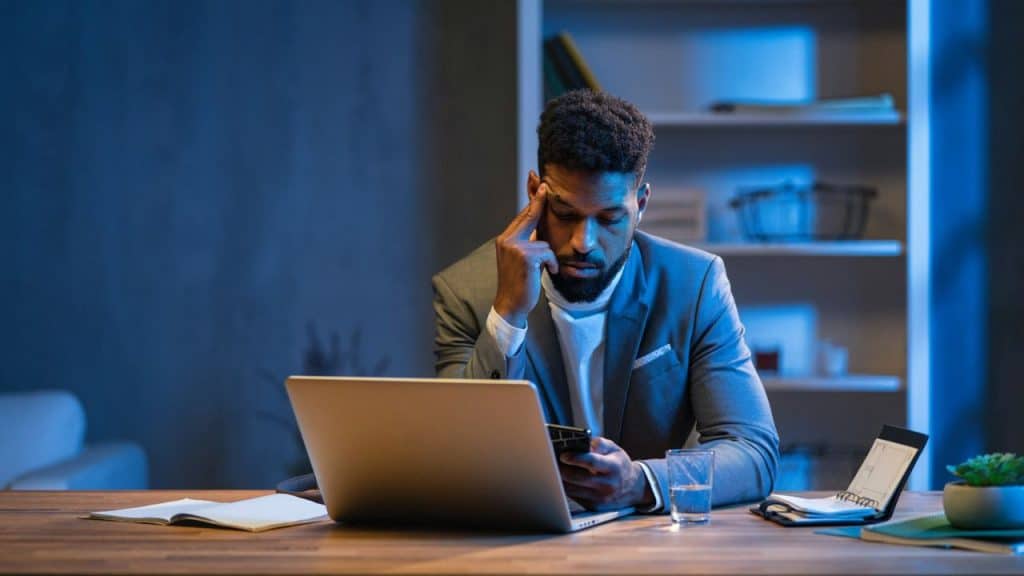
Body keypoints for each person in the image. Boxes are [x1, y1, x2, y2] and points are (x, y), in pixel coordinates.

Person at [431, 90, 779, 512]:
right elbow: (454, 452)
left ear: (641, 205)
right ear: (534, 192)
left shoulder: (693, 284)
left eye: (611, 219)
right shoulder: (465, 291)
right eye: (565, 214)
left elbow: (753, 452)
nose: (584, 243)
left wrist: (641, 481)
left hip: (650, 543)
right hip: (521, 541)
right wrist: (507, 316)